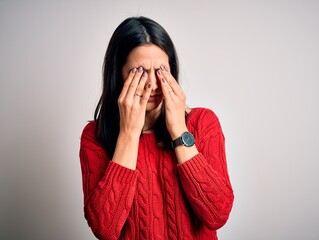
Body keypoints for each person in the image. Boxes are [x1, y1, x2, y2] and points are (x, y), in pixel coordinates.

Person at [79, 16, 234, 240]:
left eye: (161, 70)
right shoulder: (95, 137)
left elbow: (217, 214)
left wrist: (179, 131)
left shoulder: (203, 123)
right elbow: (105, 228)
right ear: (119, 74)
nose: (152, 84)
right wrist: (129, 134)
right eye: (139, 72)